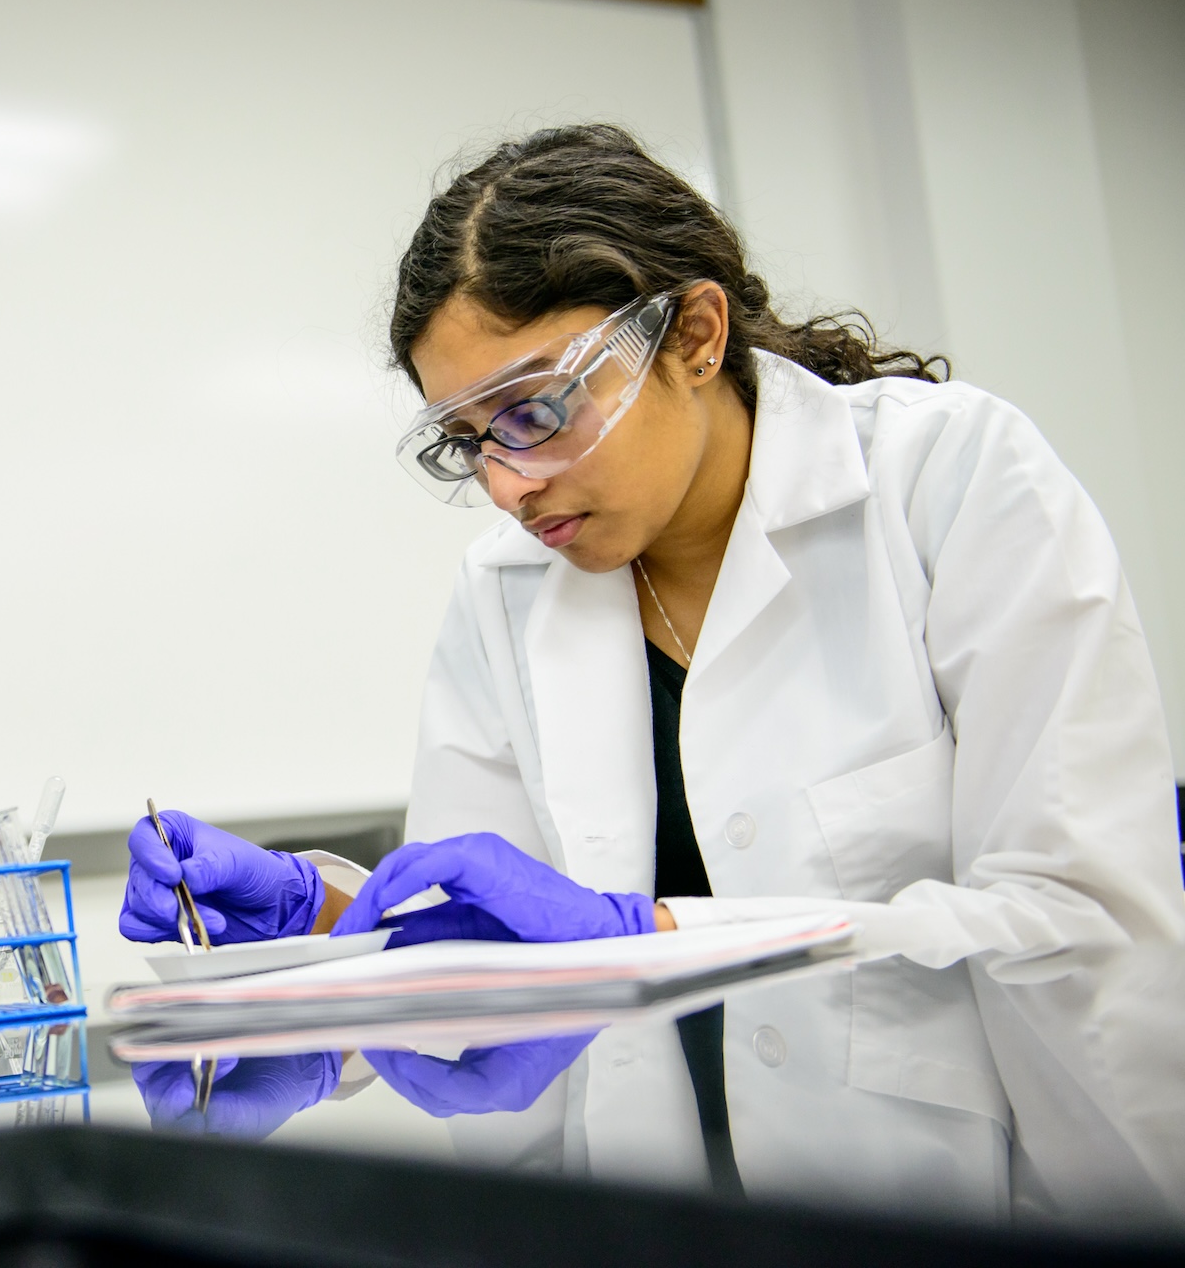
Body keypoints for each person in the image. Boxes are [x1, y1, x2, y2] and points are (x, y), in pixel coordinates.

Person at [119, 125, 1185, 1214]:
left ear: (693, 333)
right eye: (469, 439)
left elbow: (1073, 925)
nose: (506, 485)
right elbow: (484, 944)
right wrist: (318, 938)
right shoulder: (503, 593)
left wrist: (655, 941)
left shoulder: (947, 482)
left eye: (535, 410)